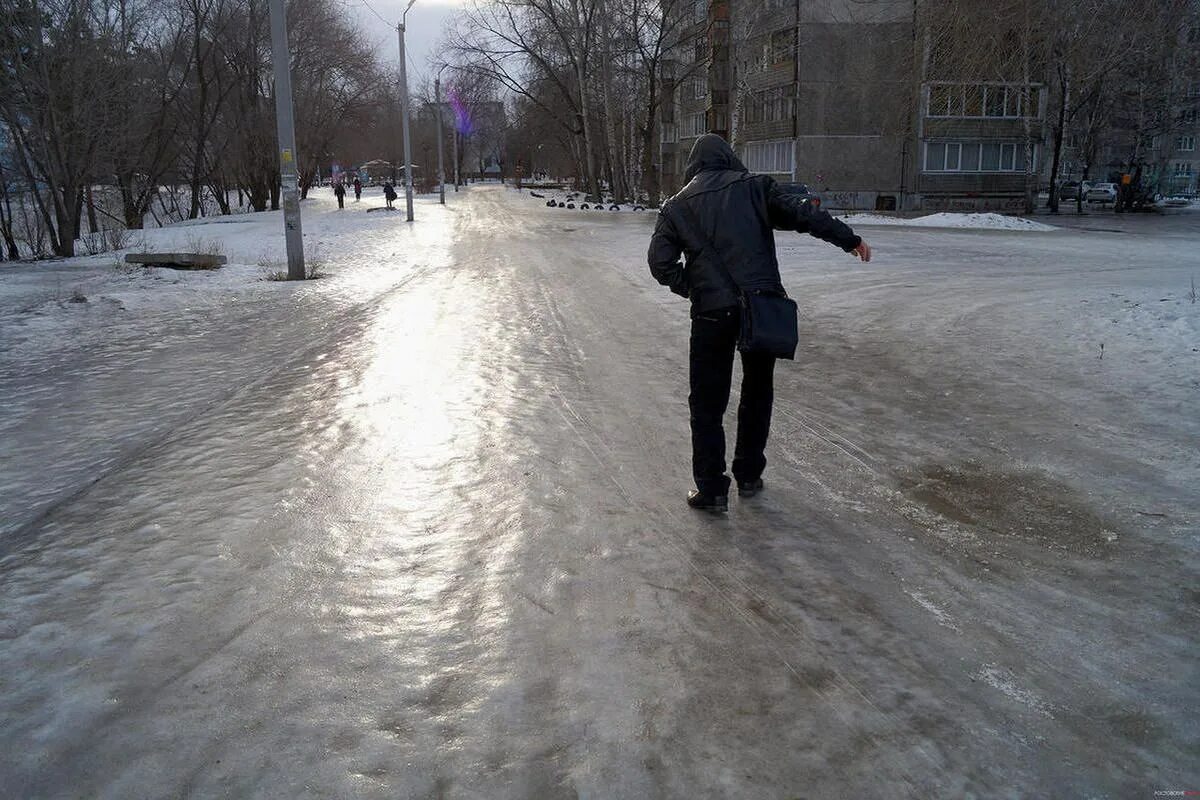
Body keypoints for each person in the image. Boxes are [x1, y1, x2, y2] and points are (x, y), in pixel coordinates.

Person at [648, 133, 871, 512]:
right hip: (760, 306)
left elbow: (660, 263)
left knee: (707, 401)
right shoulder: (755, 188)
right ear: (729, 159)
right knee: (757, 392)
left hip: (711, 314)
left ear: (693, 165)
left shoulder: (676, 207)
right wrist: (848, 239)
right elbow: (804, 214)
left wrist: (697, 289)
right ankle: (749, 474)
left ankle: (712, 490)